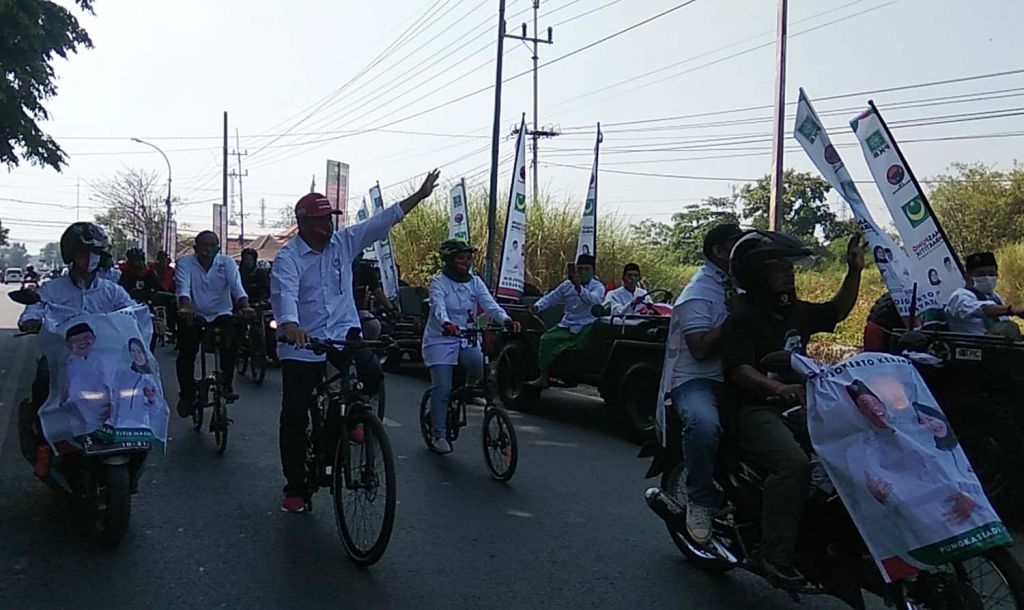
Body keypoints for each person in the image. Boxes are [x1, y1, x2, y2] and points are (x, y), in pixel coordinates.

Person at [271, 170, 439, 513]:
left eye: (329, 219)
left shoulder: (344, 243)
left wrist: (419, 196)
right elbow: (284, 294)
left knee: (373, 376)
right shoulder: (288, 259)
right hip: (304, 344)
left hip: (344, 336)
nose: (326, 226)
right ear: (302, 223)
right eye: (318, 220)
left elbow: (381, 222)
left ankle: (347, 422)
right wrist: (290, 324)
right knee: (294, 415)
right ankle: (297, 487)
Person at [722, 230, 865, 589]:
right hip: (756, 408)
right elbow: (740, 369)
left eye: (791, 266)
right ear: (757, 273)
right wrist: (778, 387)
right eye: (779, 267)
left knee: (857, 446)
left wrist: (855, 271)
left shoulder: (795, 310)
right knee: (792, 465)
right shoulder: (743, 317)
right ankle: (775, 557)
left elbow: (837, 310)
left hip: (801, 403)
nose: (789, 273)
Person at [657, 223, 745, 547]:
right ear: (719, 251)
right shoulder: (699, 292)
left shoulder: (743, 286)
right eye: (737, 244)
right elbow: (701, 348)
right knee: (704, 424)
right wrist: (734, 317)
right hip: (697, 380)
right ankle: (700, 501)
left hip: (741, 376)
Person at [422, 239, 519, 454]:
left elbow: (490, 305)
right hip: (441, 339)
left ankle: (467, 391)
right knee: (442, 388)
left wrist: (506, 320)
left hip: (466, 337)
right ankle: (439, 433)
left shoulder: (475, 282)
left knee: (479, 368)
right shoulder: (438, 282)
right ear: (448, 260)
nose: (465, 263)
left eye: (468, 258)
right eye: (460, 258)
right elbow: (438, 307)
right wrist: (446, 324)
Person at [174, 230, 255, 417]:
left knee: (232, 340)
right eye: (207, 245)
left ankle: (226, 383)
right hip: (194, 314)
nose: (211, 249)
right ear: (196, 248)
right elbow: (182, 288)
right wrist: (185, 308)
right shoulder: (185, 263)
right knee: (187, 352)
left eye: (215, 245)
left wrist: (246, 306)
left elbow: (237, 287)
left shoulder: (226, 262)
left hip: (221, 313)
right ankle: (186, 394)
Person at [526, 253, 606, 388]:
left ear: (593, 271)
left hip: (587, 325)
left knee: (582, 345)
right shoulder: (566, 285)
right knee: (546, 339)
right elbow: (551, 298)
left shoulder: (598, 287)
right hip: (567, 324)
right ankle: (543, 376)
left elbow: (593, 299)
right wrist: (537, 306)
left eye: (587, 269)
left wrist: (579, 288)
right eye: (580, 269)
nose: (583, 272)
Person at [945, 251, 1022, 335]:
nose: (987, 278)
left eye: (991, 274)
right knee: (1007, 328)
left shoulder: (994, 297)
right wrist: (1011, 310)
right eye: (981, 274)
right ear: (967, 278)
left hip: (995, 343)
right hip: (974, 345)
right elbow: (980, 309)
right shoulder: (959, 297)